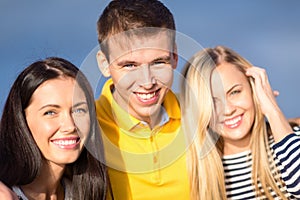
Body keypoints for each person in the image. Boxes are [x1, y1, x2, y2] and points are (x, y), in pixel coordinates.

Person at [95, 0, 190, 199]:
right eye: (129, 65)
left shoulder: (200, 114)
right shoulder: (84, 126)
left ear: (174, 57)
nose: (147, 82)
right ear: (104, 64)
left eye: (158, 62)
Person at [181, 45, 300, 199]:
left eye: (235, 92)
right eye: (212, 102)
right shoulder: (199, 174)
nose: (228, 110)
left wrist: (272, 110)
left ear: (253, 89)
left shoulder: (293, 140)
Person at [0, 57, 108, 199]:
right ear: (21, 120)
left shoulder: (85, 192)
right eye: (50, 112)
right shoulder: (6, 194)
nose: (70, 126)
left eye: (79, 110)